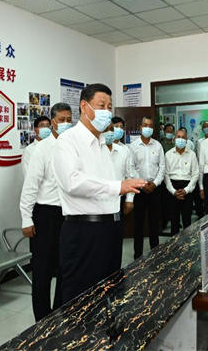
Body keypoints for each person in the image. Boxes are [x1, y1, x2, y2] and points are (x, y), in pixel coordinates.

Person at [52, 84, 146, 304]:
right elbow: (72, 182)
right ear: (84, 106)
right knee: (80, 299)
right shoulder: (68, 141)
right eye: (101, 105)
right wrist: (117, 187)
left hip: (110, 229)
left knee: (109, 293)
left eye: (109, 107)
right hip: (84, 231)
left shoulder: (103, 143)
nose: (107, 112)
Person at [19, 103, 72, 321]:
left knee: (65, 268)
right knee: (42, 271)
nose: (65, 123)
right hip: (46, 214)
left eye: (69, 119)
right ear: (52, 122)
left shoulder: (73, 147)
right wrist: (26, 218)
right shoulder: (42, 149)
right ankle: (41, 320)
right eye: (61, 120)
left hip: (69, 214)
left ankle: (59, 313)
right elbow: (30, 186)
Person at [129, 116, 165, 259]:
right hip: (139, 189)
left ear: (153, 128)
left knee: (154, 223)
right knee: (138, 224)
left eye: (150, 125)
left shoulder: (158, 146)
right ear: (140, 127)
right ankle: (137, 255)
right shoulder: (133, 146)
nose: (147, 128)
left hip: (155, 189)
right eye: (145, 125)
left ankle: (155, 254)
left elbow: (162, 167)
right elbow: (131, 168)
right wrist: (143, 184)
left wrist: (155, 183)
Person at [164, 129, 199, 235]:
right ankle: (174, 245)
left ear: (186, 140)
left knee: (187, 221)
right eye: (178, 137)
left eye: (183, 137)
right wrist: (173, 191)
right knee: (174, 221)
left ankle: (187, 244)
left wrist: (186, 190)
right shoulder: (168, 154)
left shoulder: (192, 154)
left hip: (187, 187)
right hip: (172, 188)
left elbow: (195, 174)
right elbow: (166, 175)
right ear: (174, 138)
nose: (180, 139)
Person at [103, 122, 135, 229]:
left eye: (111, 129)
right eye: (106, 130)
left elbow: (129, 176)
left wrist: (129, 199)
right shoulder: (94, 150)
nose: (109, 132)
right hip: (100, 200)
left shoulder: (123, 151)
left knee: (117, 231)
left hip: (118, 199)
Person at [21, 116, 51, 180]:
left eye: (47, 126)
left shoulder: (53, 146)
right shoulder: (29, 150)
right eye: (42, 126)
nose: (46, 128)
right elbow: (28, 176)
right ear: (35, 129)